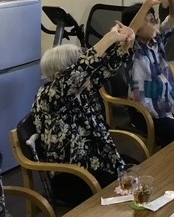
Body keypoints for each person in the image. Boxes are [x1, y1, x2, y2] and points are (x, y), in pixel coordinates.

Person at [31, 21, 136, 206]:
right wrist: (109, 38)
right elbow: (82, 69)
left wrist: (126, 44)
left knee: (139, 170)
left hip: (96, 162)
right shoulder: (50, 95)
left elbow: (106, 68)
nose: (90, 74)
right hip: (72, 175)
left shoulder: (82, 90)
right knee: (125, 193)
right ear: (61, 75)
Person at [121, 0, 174, 148]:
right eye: (149, 21)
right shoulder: (129, 49)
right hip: (145, 111)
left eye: (154, 19)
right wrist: (147, 4)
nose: (154, 24)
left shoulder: (157, 40)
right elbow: (131, 30)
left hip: (167, 102)